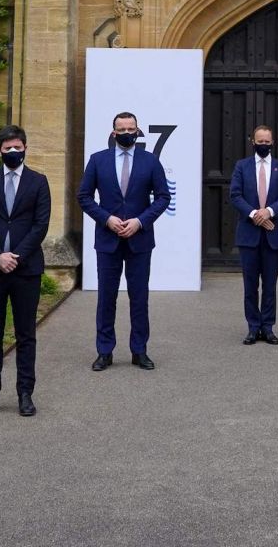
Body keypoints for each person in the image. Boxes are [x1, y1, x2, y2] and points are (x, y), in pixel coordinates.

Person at [0, 125, 52, 417]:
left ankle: (25, 393)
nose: (13, 152)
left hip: (25, 269)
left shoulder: (39, 182)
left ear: (26, 148)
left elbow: (40, 225)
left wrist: (16, 256)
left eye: (18, 147)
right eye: (8, 149)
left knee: (26, 334)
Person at [79, 112, 170, 371]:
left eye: (131, 128)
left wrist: (140, 221)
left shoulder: (150, 161)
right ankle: (104, 351)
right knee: (106, 298)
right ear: (113, 132)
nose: (127, 132)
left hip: (139, 241)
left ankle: (139, 351)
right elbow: (84, 196)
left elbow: (163, 197)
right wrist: (106, 219)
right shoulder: (98, 161)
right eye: (122, 128)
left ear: (138, 131)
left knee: (139, 298)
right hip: (107, 240)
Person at [229, 125, 278, 345]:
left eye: (267, 142)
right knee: (250, 285)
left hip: (272, 235)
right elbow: (235, 195)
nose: (263, 145)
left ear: (272, 142)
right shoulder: (242, 166)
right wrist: (255, 213)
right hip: (248, 235)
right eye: (260, 141)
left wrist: (269, 211)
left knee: (270, 285)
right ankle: (252, 327)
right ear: (252, 141)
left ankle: (268, 327)